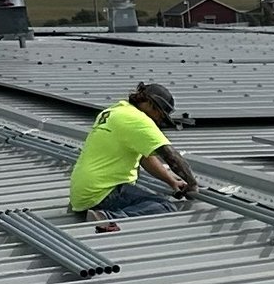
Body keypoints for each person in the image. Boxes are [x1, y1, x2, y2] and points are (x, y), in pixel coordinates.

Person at [65, 80, 198, 226]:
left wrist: (171, 181)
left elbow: (145, 158)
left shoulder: (116, 111)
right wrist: (192, 183)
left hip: (82, 194)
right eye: (160, 114)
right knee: (164, 206)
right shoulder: (137, 120)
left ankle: (90, 210)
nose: (159, 120)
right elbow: (170, 155)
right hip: (104, 192)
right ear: (149, 103)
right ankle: (107, 218)